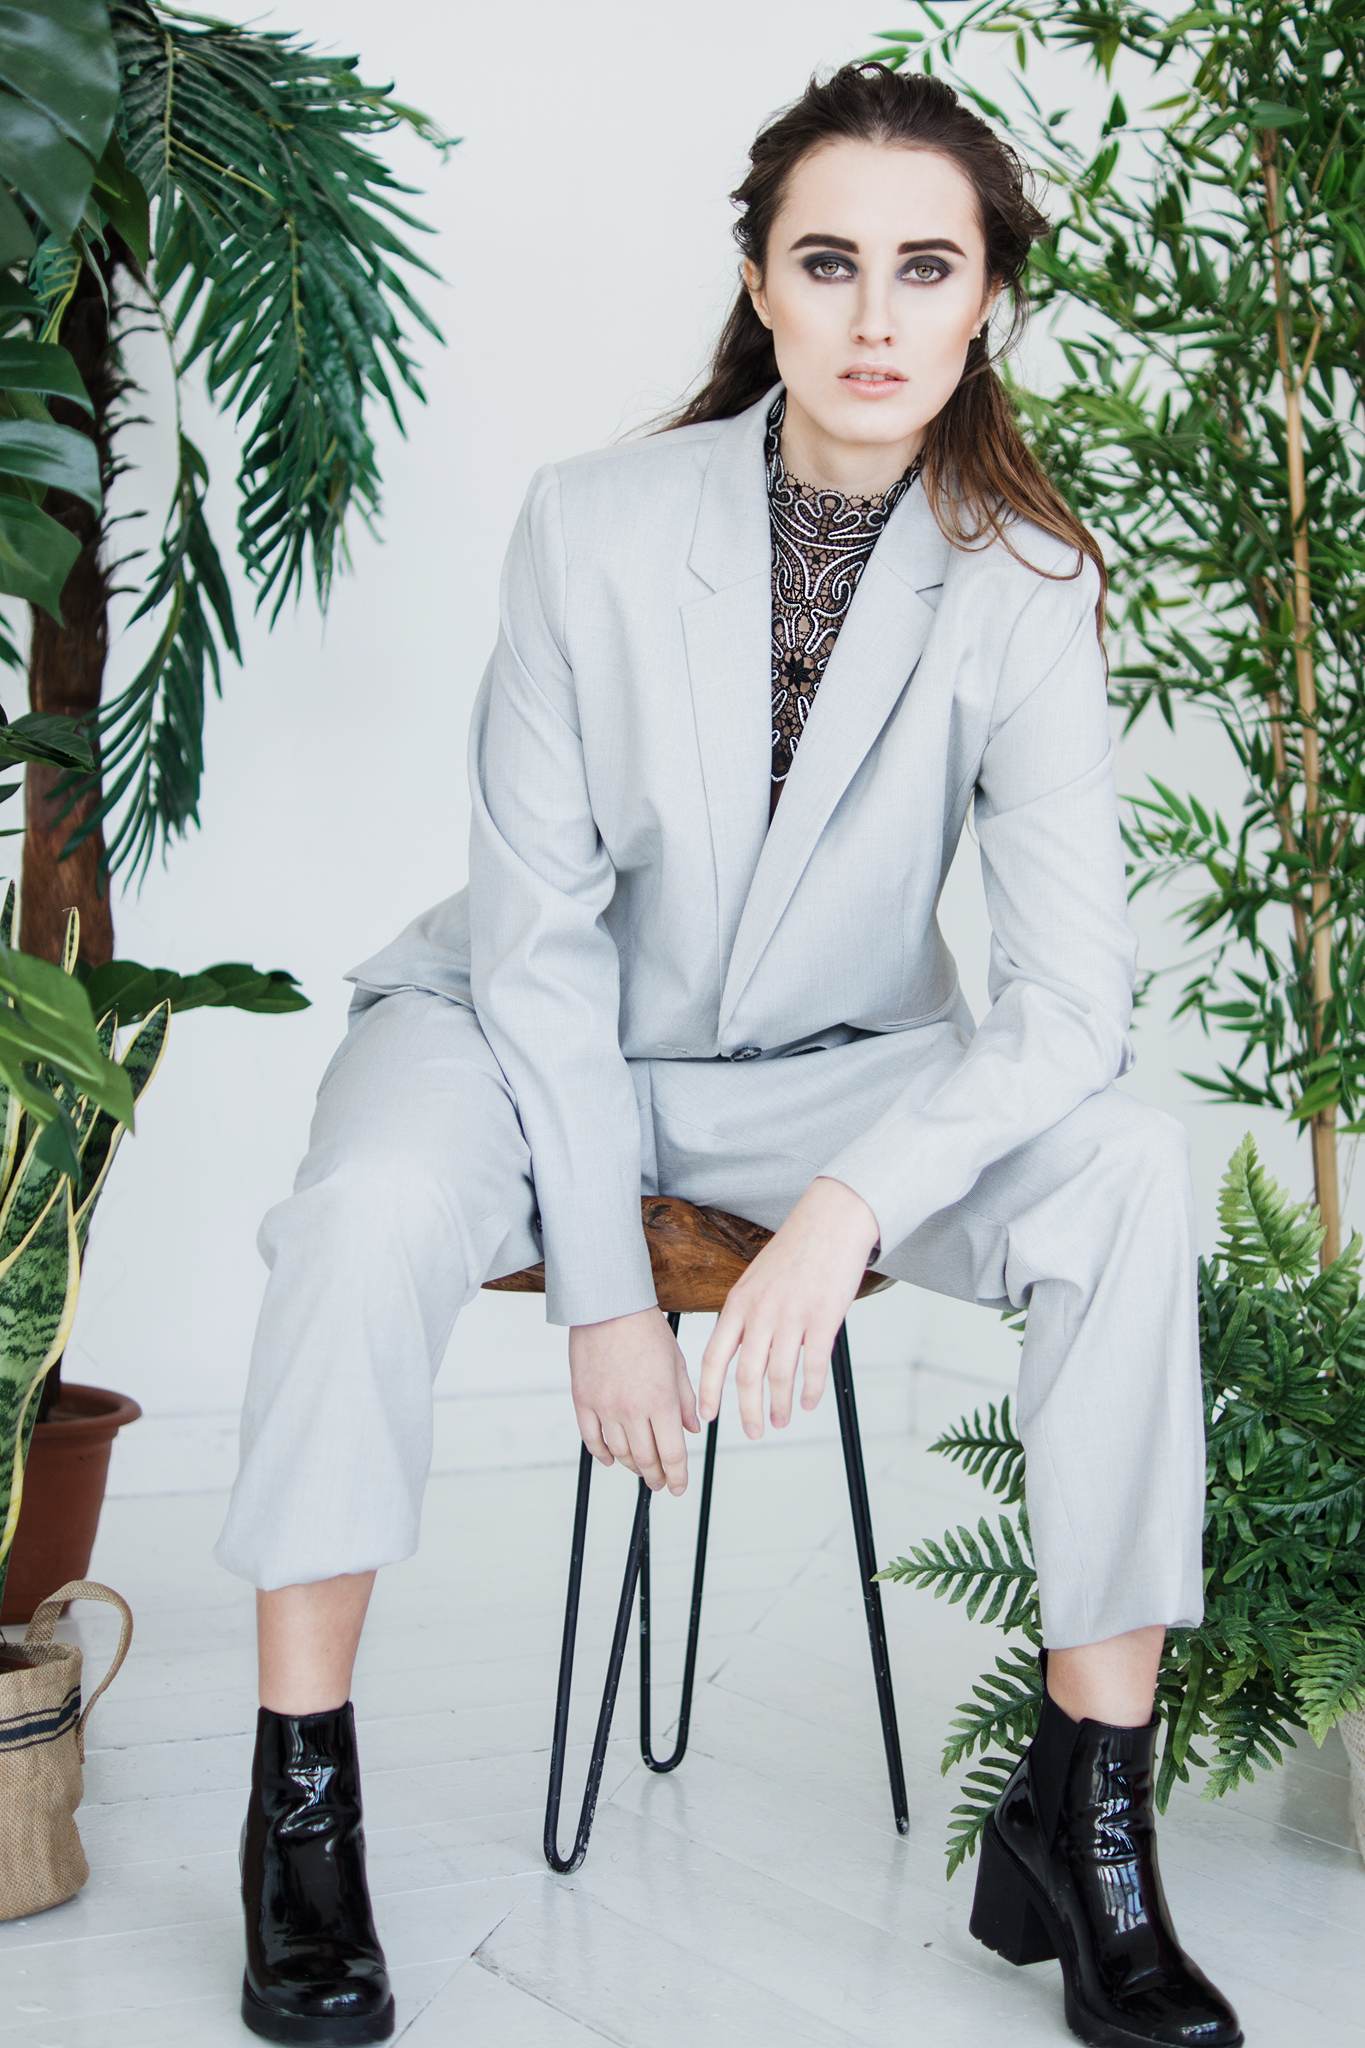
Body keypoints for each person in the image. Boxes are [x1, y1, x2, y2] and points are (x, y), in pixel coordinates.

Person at [213, 58, 1243, 2048]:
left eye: (924, 267)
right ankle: (300, 1814)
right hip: (523, 1029)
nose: (874, 316)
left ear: (983, 301)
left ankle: (1087, 1822)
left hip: (834, 1075)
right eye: (827, 262)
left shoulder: (1025, 585)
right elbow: (535, 936)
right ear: (759, 285)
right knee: (362, 1210)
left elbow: (1066, 1002)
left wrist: (850, 1203)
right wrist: (606, 1290)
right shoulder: (592, 525)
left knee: (1122, 1164)